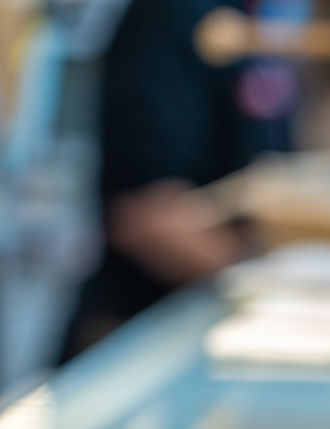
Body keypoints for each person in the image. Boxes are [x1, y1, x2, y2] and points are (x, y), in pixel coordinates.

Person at [60, 0, 298, 361]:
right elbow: (146, 219)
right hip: (141, 338)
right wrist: (276, 293)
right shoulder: (170, 18)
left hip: (214, 324)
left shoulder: (253, 17)